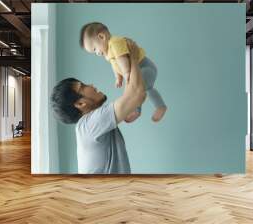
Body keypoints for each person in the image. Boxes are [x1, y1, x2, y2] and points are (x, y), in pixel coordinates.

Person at [51, 40, 145, 174]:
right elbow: (136, 94)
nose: (91, 85)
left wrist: (128, 75)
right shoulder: (89, 124)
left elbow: (132, 102)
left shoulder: (90, 125)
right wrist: (133, 57)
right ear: (80, 104)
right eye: (83, 87)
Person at [79, 22, 167, 123]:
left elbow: (122, 59)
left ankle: (138, 109)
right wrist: (118, 77)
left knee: (137, 88)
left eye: (95, 49)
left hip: (145, 67)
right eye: (94, 52)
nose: (97, 53)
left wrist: (126, 73)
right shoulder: (109, 53)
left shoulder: (115, 43)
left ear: (101, 36)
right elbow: (115, 66)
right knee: (146, 89)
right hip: (142, 70)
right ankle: (159, 106)